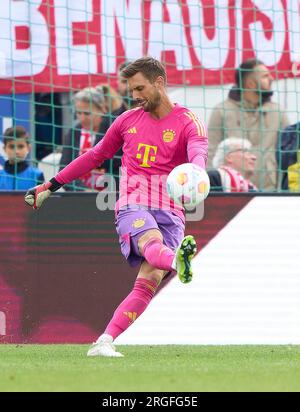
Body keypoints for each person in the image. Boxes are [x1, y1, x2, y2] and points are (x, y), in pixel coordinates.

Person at [24, 57, 208, 357]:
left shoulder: (187, 121)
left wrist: (196, 173)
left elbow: (198, 150)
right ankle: (176, 260)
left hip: (171, 210)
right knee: (152, 241)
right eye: (130, 89)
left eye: (139, 88)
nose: (134, 95)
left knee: (147, 282)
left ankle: (104, 341)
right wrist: (50, 185)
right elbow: (94, 156)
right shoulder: (126, 121)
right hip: (134, 201)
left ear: (159, 82)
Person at [208, 59, 290, 191]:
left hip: (270, 194)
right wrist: (212, 191)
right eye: (265, 76)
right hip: (232, 192)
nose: (271, 78)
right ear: (251, 84)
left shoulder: (278, 112)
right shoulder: (221, 111)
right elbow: (211, 153)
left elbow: (289, 154)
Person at [59, 87, 108, 191]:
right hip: (81, 197)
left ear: (102, 109)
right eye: (78, 113)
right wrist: (84, 191)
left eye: (87, 113)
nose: (82, 118)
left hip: (111, 195)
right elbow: (63, 170)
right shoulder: (74, 133)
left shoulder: (112, 131)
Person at [0, 126, 44, 190]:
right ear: (4, 149)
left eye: (20, 146)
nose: (16, 151)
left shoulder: (37, 175)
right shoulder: (1, 176)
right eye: (11, 147)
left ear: (28, 148)